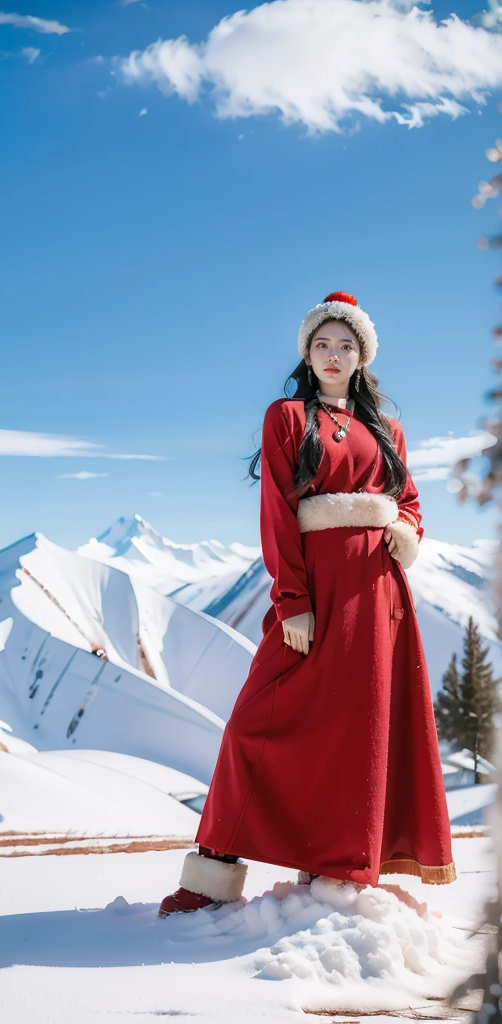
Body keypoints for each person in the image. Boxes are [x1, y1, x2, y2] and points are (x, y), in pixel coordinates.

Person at [158, 291, 456, 918]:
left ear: (362, 356)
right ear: (307, 352)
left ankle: (341, 866)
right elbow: (276, 514)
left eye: (345, 345)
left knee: (362, 729)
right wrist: (293, 598)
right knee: (254, 721)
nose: (333, 354)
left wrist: (404, 532)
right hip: (314, 592)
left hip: (378, 593)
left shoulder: (388, 429)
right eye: (322, 344)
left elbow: (410, 503)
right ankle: (213, 868)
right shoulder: (287, 418)